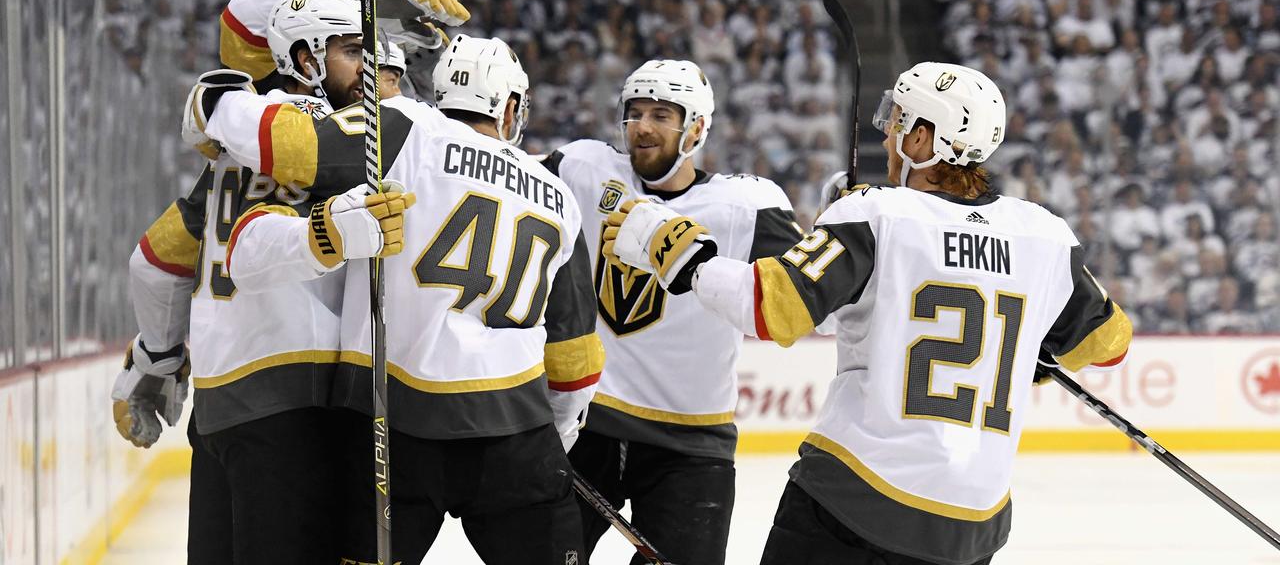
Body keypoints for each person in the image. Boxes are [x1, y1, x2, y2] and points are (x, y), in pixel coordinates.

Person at [602, 62, 1133, 565]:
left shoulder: (877, 214)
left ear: (924, 140)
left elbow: (774, 311)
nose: (887, 136)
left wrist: (673, 249)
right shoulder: (1043, 234)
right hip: (974, 523)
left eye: (898, 122)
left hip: (855, 501)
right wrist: (1023, 350)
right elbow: (1107, 343)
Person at [195, 34, 603, 565]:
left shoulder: (405, 125)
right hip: (515, 432)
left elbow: (288, 145)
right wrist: (555, 440)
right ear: (509, 108)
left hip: (391, 428)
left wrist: (218, 102)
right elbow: (574, 360)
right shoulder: (558, 195)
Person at [116, 0, 461, 563]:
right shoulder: (329, 133)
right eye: (357, 52)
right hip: (299, 406)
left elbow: (153, 262)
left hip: (219, 409)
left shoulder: (231, 150)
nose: (374, 77)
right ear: (305, 57)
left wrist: (157, 357)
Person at [540, 60, 803, 565]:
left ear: (697, 128)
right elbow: (497, 182)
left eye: (662, 114)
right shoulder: (584, 168)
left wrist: (848, 230)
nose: (642, 125)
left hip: (690, 444)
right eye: (635, 111)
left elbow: (811, 297)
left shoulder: (745, 206)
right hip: (585, 427)